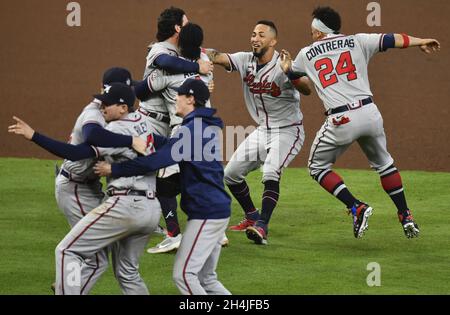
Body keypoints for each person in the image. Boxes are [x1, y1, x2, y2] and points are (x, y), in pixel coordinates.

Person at [281, 6, 440, 238]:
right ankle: (405, 214)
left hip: (341, 119)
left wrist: (286, 67)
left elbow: (294, 74)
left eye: (312, 30)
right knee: (385, 164)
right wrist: (421, 41)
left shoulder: (307, 54)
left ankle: (356, 207)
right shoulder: (359, 40)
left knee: (317, 167)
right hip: (370, 113)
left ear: (318, 32)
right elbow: (393, 39)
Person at [9, 83, 163, 294]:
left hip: (126, 207)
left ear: (123, 107)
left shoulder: (117, 129)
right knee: (128, 274)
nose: (103, 107)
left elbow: (74, 153)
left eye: (108, 104)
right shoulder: (144, 123)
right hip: (151, 209)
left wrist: (34, 135)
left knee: (67, 251)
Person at [95, 79, 231, 295]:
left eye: (179, 94)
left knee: (185, 275)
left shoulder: (194, 128)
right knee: (206, 279)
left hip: (207, 212)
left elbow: (156, 161)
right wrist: (139, 137)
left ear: (190, 99)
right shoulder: (200, 125)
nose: (174, 98)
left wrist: (115, 170)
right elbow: (170, 146)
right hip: (215, 209)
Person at [205, 20, 312, 245]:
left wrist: (290, 72)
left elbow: (307, 89)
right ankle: (251, 215)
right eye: (253, 34)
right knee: (230, 174)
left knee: (271, 172)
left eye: (261, 35)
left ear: (273, 41)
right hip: (263, 131)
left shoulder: (284, 64)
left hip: (288, 131)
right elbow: (218, 56)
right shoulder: (245, 60)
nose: (255, 38)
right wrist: (190, 49)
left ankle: (262, 225)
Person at [135, 22, 229, 252]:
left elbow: (140, 91)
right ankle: (217, 233)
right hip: (208, 131)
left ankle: (174, 234)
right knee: (202, 179)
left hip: (183, 131)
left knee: (164, 183)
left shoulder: (171, 71)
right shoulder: (206, 63)